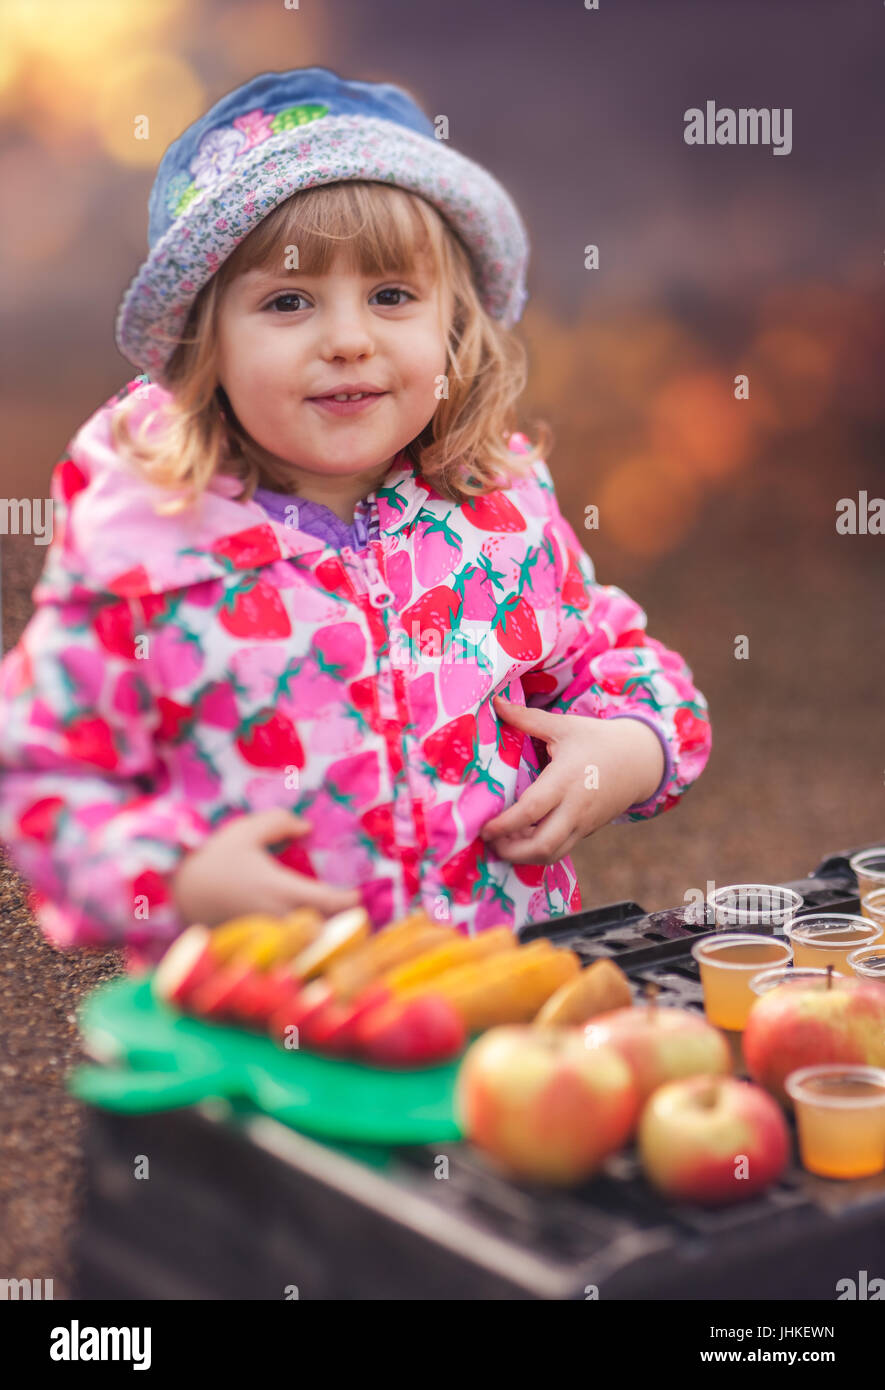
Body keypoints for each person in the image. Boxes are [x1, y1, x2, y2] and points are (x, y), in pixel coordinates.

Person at [0, 67, 712, 971]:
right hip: (257, 1018)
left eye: (391, 296)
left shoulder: (495, 513)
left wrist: (629, 748)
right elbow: (47, 784)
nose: (347, 338)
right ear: (203, 346)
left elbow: (624, 665)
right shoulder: (144, 550)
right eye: (287, 301)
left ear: (453, 328)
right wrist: (174, 878)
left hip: (485, 1009)